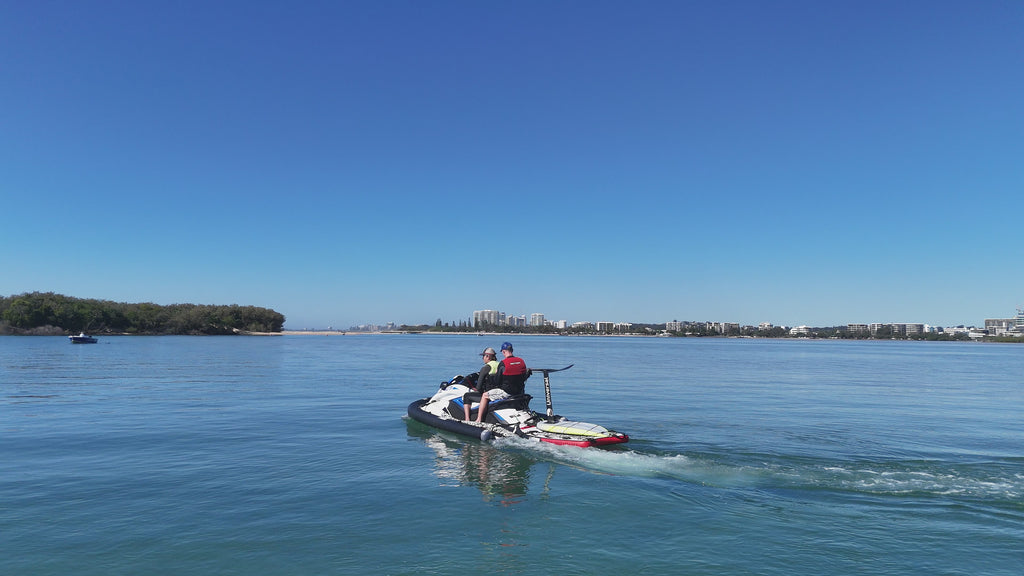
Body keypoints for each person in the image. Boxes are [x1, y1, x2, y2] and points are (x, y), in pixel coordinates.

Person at [462, 347, 501, 421]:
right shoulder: (500, 365)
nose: (483, 358)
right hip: (498, 392)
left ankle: (467, 419)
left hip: (488, 394)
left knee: (466, 396)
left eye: (483, 356)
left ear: (488, 356)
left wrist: (475, 389)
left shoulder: (486, 368)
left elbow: (479, 387)